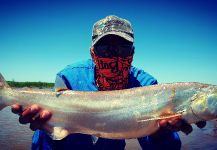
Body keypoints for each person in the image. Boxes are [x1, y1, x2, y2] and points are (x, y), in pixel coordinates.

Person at [11, 15, 206, 150]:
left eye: (122, 49)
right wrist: (46, 126)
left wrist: (160, 133)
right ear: (92, 53)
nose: (114, 56)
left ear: (133, 53)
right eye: (105, 49)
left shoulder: (148, 86)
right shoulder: (70, 76)